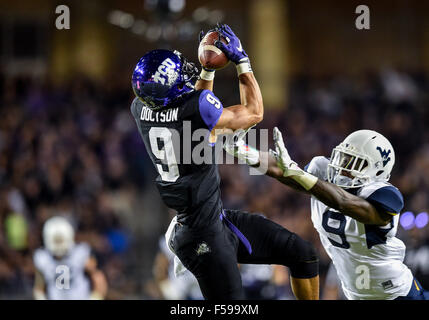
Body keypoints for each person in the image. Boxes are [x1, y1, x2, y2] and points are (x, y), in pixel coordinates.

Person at [130, 23, 319, 300]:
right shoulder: (194, 109)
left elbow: (196, 107)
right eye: (178, 71)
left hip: (212, 222)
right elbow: (254, 113)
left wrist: (207, 71)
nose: (184, 70)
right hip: (202, 237)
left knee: (302, 254)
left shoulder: (140, 108)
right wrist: (242, 61)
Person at [226, 126, 429, 300]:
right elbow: (284, 171)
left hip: (397, 292)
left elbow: (344, 202)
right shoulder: (323, 173)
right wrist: (243, 151)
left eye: (353, 163)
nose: (342, 169)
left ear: (376, 171)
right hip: (354, 294)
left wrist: (301, 176)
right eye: (344, 159)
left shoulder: (384, 195)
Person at [33, 216, 108, 300]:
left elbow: (98, 277)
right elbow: (39, 286)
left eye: (60, 240)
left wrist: (96, 297)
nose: (59, 245)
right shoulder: (42, 258)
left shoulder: (81, 252)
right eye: (56, 241)